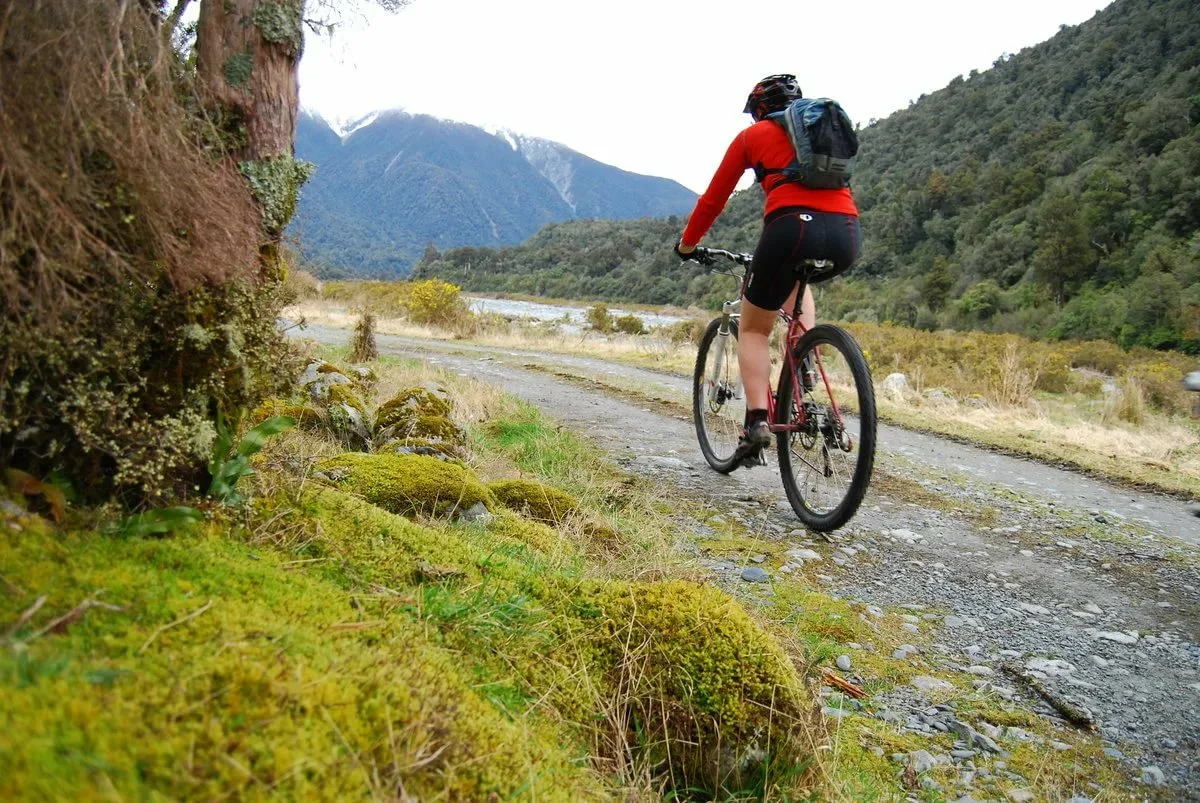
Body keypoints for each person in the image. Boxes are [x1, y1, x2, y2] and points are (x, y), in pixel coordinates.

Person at [675, 74, 861, 459]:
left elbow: (713, 200)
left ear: (758, 110)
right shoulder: (815, 135)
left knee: (755, 329)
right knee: (799, 285)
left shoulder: (753, 137)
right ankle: (805, 355)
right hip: (846, 232)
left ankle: (757, 422)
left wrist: (687, 244)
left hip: (789, 229)